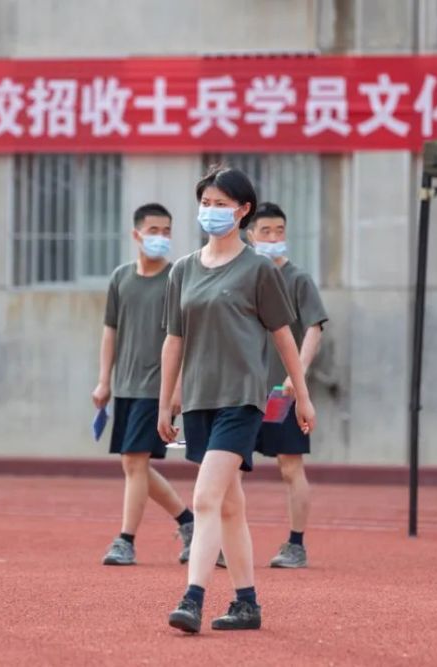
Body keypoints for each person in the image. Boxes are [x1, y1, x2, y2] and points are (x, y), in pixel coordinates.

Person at [159, 166, 315, 634]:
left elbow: (284, 337)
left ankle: (193, 598)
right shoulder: (183, 270)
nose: (211, 211)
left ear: (243, 210)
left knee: (206, 497)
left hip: (242, 400)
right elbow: (173, 340)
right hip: (201, 400)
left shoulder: (258, 270)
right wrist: (166, 401)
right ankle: (247, 603)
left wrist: (302, 396)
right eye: (206, 202)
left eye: (222, 204)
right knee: (229, 506)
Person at [93, 203, 195, 566]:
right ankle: (188, 521)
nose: (161, 237)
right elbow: (111, 331)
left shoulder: (177, 279)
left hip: (158, 387)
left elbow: (186, 337)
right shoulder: (121, 278)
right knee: (134, 465)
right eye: (154, 230)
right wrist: (105, 380)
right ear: (136, 234)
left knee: (135, 462)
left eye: (167, 231)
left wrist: (178, 387)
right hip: (125, 387)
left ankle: (125, 540)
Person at [247, 203, 328, 569]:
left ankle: (296, 544)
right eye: (266, 231)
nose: (274, 237)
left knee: (290, 467)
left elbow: (315, 326)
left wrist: (299, 375)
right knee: (226, 466)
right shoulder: (242, 274)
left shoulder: (297, 280)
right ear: (250, 234)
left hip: (283, 393)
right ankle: (218, 542)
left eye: (279, 230)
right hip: (243, 389)